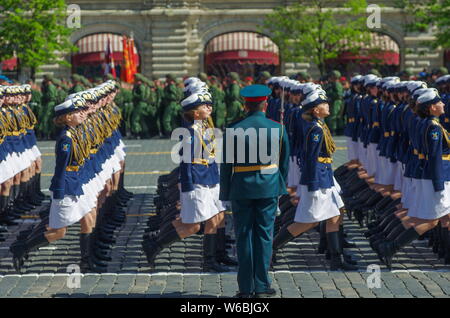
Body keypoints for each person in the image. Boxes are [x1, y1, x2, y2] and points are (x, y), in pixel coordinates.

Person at [142, 92, 229, 272]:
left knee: (217, 217)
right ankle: (156, 244)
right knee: (192, 226)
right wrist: (187, 186)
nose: (209, 108)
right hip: (197, 181)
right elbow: (186, 161)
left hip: (211, 179)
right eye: (204, 106)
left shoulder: (204, 127)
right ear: (195, 113)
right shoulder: (190, 132)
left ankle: (211, 260)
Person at [272, 91, 357, 271]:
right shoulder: (315, 129)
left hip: (325, 176)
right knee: (307, 222)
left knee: (336, 214)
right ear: (316, 110)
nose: (328, 106)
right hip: (317, 179)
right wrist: (310, 185)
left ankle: (336, 258)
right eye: (324, 104)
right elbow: (310, 158)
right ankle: (271, 248)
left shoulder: (319, 125)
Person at [220, 84, 290, 298]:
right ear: (265, 104)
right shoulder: (277, 128)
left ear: (245, 105)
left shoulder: (233, 129)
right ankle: (261, 285)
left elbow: (226, 165)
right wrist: (280, 186)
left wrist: (225, 193)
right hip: (268, 187)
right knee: (264, 236)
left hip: (241, 187)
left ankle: (245, 287)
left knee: (243, 236)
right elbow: (284, 163)